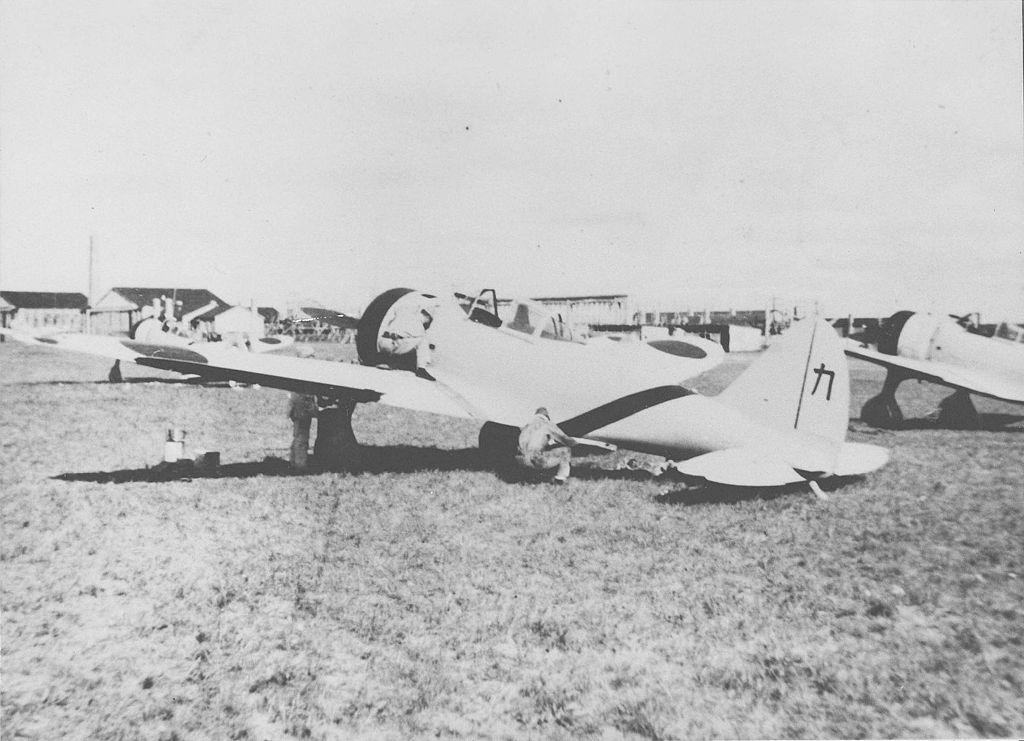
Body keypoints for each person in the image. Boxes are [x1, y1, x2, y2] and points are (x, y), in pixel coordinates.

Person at [516, 407, 576, 484]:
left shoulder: (526, 426)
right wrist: (574, 441)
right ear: (547, 416)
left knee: (536, 452)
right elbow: (566, 440)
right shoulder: (547, 424)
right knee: (566, 450)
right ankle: (560, 479)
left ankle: (527, 478)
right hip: (537, 460)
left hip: (523, 461)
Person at [288, 345, 318, 471]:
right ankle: (300, 464)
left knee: (299, 435)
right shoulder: (304, 371)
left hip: (300, 403)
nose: (314, 359)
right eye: (310, 356)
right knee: (301, 436)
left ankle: (294, 461)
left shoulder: (298, 370)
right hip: (302, 404)